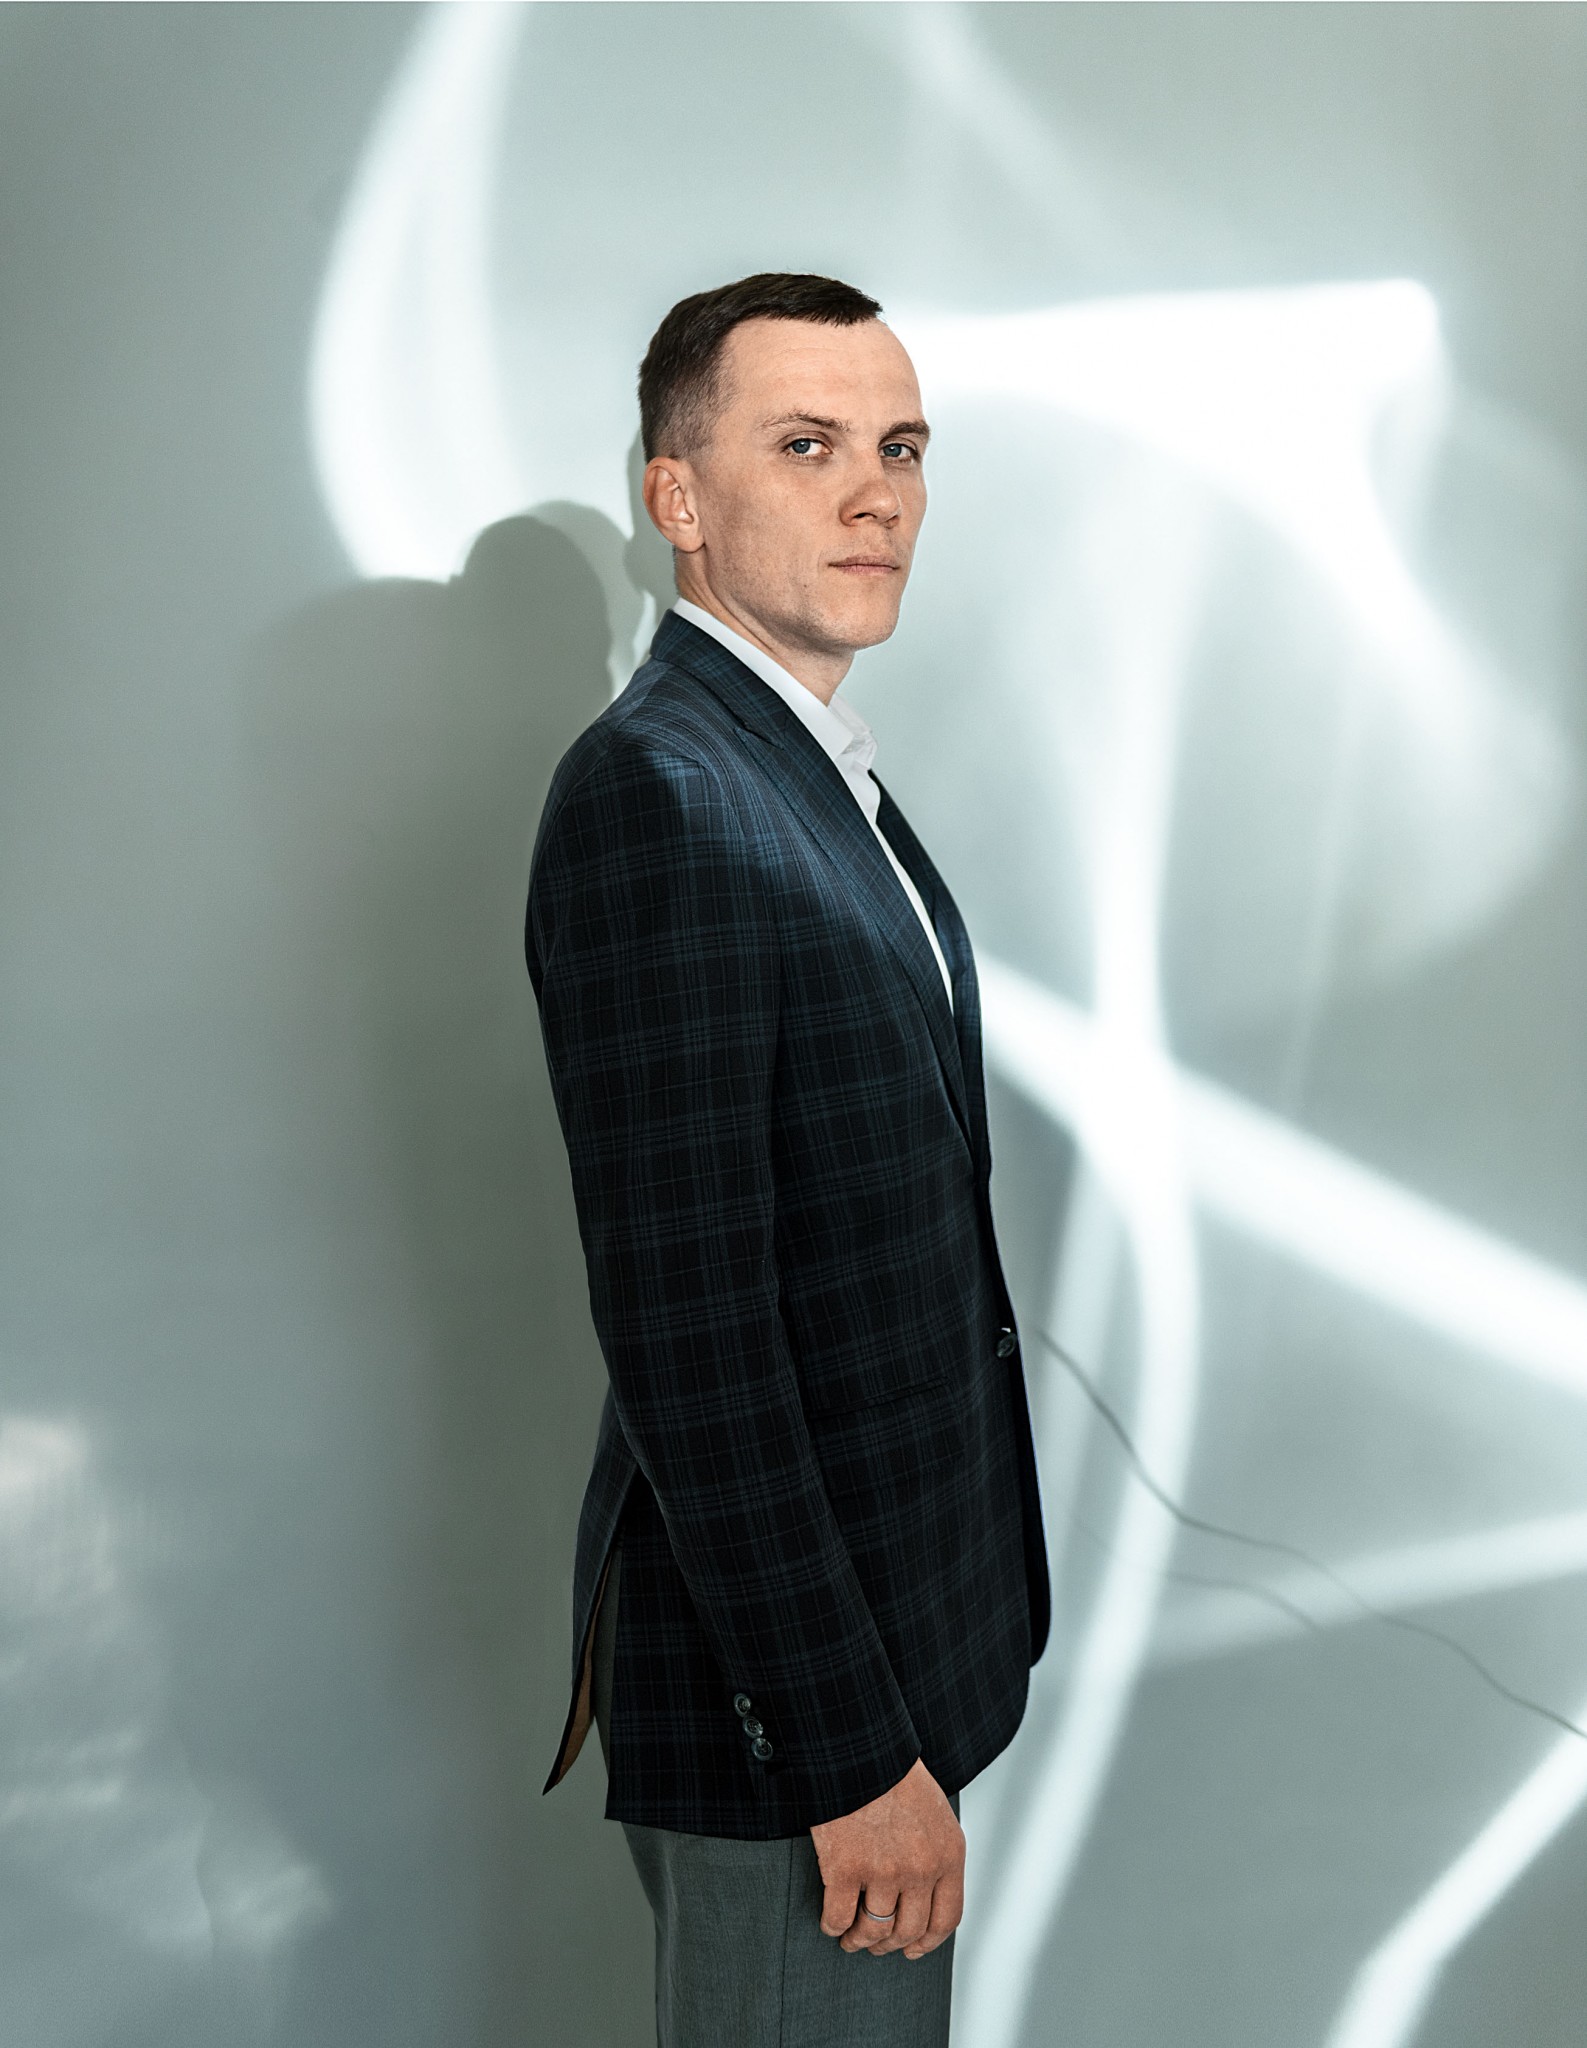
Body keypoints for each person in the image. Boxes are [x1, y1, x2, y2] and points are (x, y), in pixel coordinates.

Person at [524, 273, 1049, 2048]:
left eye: (900, 448)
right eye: (808, 446)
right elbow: (693, 1336)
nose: (875, 494)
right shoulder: (664, 796)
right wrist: (846, 1752)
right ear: (676, 496)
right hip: (796, 1718)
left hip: (893, 1645)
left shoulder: (799, 765)